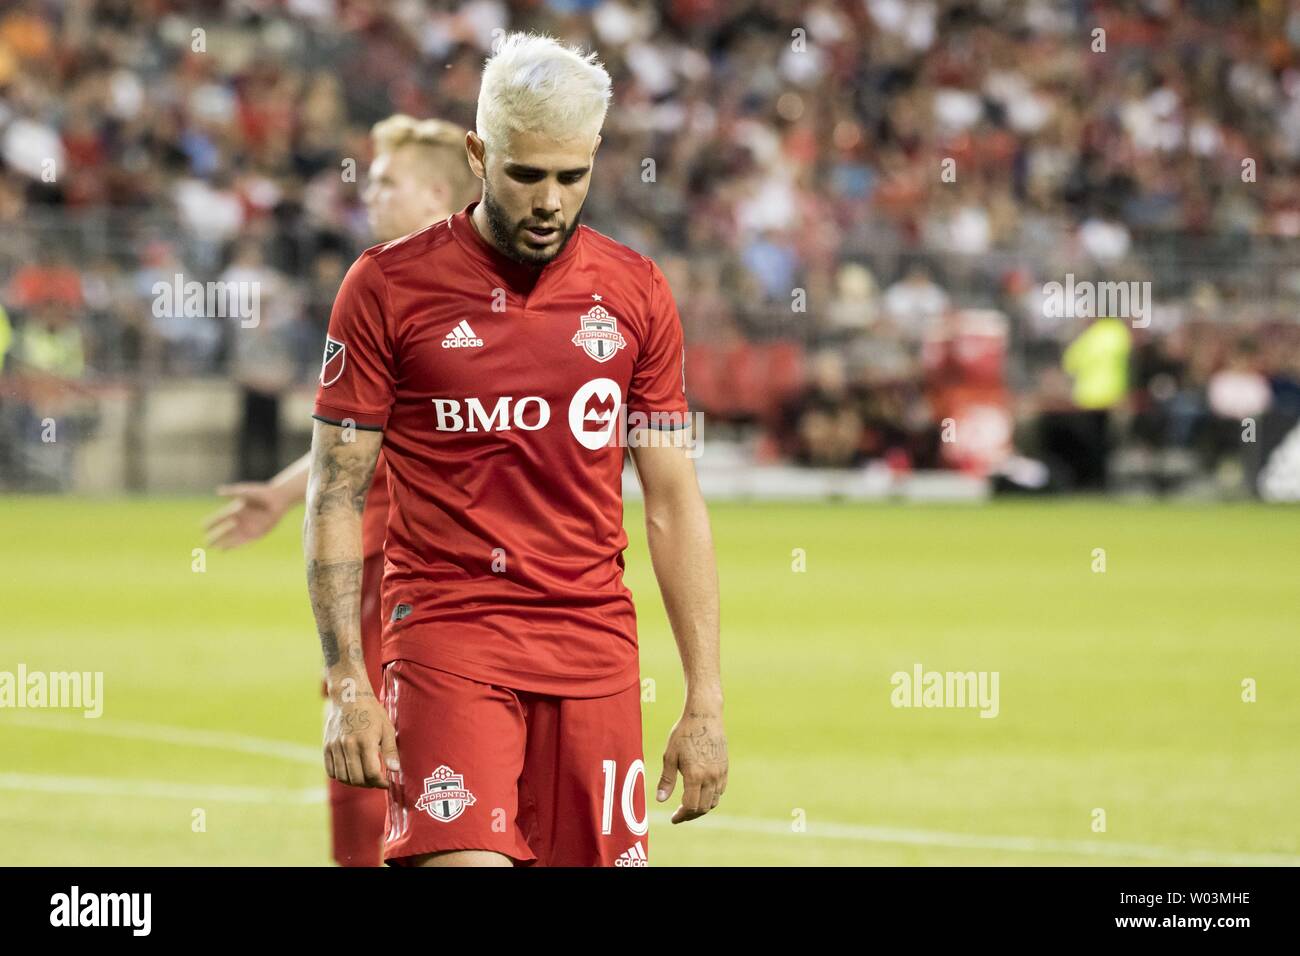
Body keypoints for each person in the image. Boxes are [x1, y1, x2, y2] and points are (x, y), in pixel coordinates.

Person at [303, 32, 726, 867]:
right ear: (477, 153)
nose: (549, 201)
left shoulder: (637, 292)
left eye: (572, 177)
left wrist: (704, 697)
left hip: (596, 651)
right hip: (447, 640)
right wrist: (349, 679)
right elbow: (336, 493)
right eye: (526, 174)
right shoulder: (385, 287)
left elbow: (673, 499)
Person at [203, 113, 477, 866]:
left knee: (372, 737)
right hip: (391, 556)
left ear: (436, 193)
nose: (370, 196)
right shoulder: (391, 290)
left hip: (405, 564)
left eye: (386, 183)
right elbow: (358, 436)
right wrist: (286, 493)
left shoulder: (431, 301)